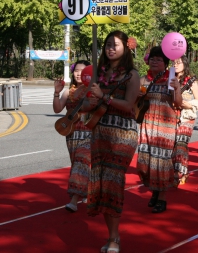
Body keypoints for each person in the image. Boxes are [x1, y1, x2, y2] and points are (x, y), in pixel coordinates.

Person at [86, 31, 140, 253]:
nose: (110, 48)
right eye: (107, 44)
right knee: (101, 182)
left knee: (112, 181)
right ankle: (112, 236)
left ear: (125, 48)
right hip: (100, 131)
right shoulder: (100, 72)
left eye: (115, 45)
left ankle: (114, 239)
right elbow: (92, 102)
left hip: (123, 133)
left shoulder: (131, 74)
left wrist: (103, 97)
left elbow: (129, 105)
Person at [136, 46, 182, 214]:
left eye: (159, 59)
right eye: (152, 59)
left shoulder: (171, 79)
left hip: (165, 125)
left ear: (165, 63)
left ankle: (162, 198)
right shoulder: (143, 80)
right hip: (147, 124)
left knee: (161, 162)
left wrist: (177, 89)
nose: (154, 62)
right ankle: (155, 191)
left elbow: (178, 103)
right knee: (146, 160)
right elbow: (134, 101)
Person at [53, 60, 91, 213]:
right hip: (71, 133)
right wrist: (56, 92)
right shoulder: (69, 92)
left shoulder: (92, 91)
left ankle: (74, 200)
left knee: (80, 163)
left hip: (89, 132)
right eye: (76, 70)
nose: (79, 73)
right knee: (77, 163)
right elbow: (57, 109)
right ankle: (85, 189)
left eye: (83, 71)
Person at [172, 55, 198, 186]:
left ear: (184, 64)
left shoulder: (191, 81)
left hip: (186, 116)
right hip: (172, 115)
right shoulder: (170, 79)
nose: (176, 65)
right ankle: (175, 171)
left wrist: (187, 104)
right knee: (172, 144)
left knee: (181, 144)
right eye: (174, 62)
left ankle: (180, 173)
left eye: (178, 63)